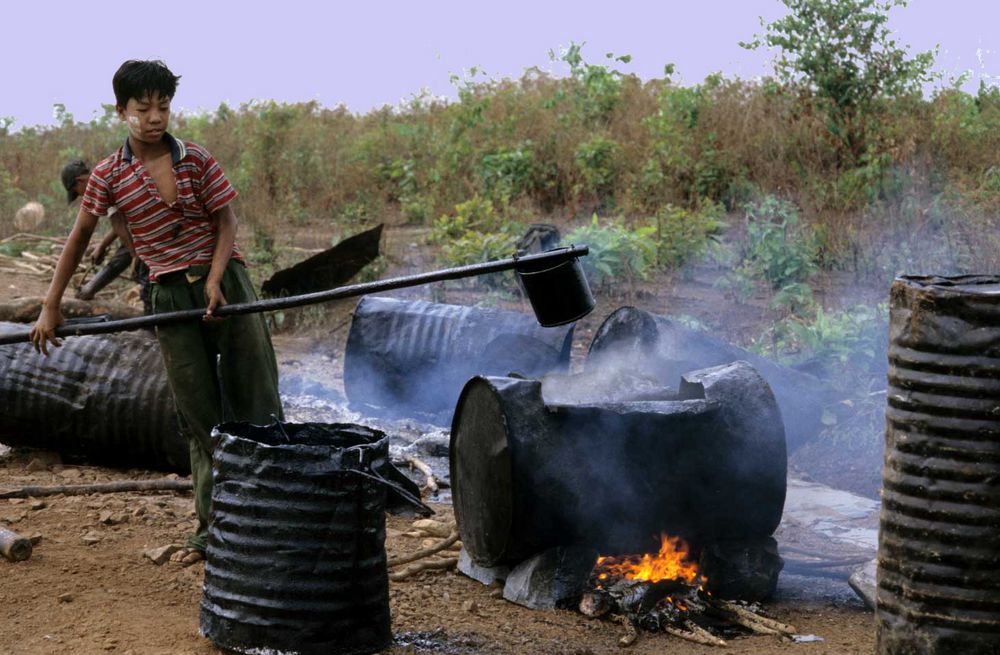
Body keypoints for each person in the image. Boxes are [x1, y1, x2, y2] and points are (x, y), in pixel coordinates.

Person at [31, 60, 283, 565]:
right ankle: (213, 531)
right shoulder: (108, 175)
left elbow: (226, 219)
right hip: (168, 298)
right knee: (197, 413)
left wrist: (214, 278)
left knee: (256, 394)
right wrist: (51, 305)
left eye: (162, 107)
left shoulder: (196, 159)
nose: (154, 118)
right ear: (121, 109)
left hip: (226, 284)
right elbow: (79, 237)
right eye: (142, 108)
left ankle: (276, 515)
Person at [61, 159, 151, 310]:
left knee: (145, 276)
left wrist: (135, 255)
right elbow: (120, 222)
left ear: (80, 181)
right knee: (125, 251)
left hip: (152, 226)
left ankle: (153, 319)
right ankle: (89, 289)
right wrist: (103, 245)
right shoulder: (103, 180)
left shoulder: (102, 181)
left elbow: (119, 223)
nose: (82, 196)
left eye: (77, 192)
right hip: (139, 227)